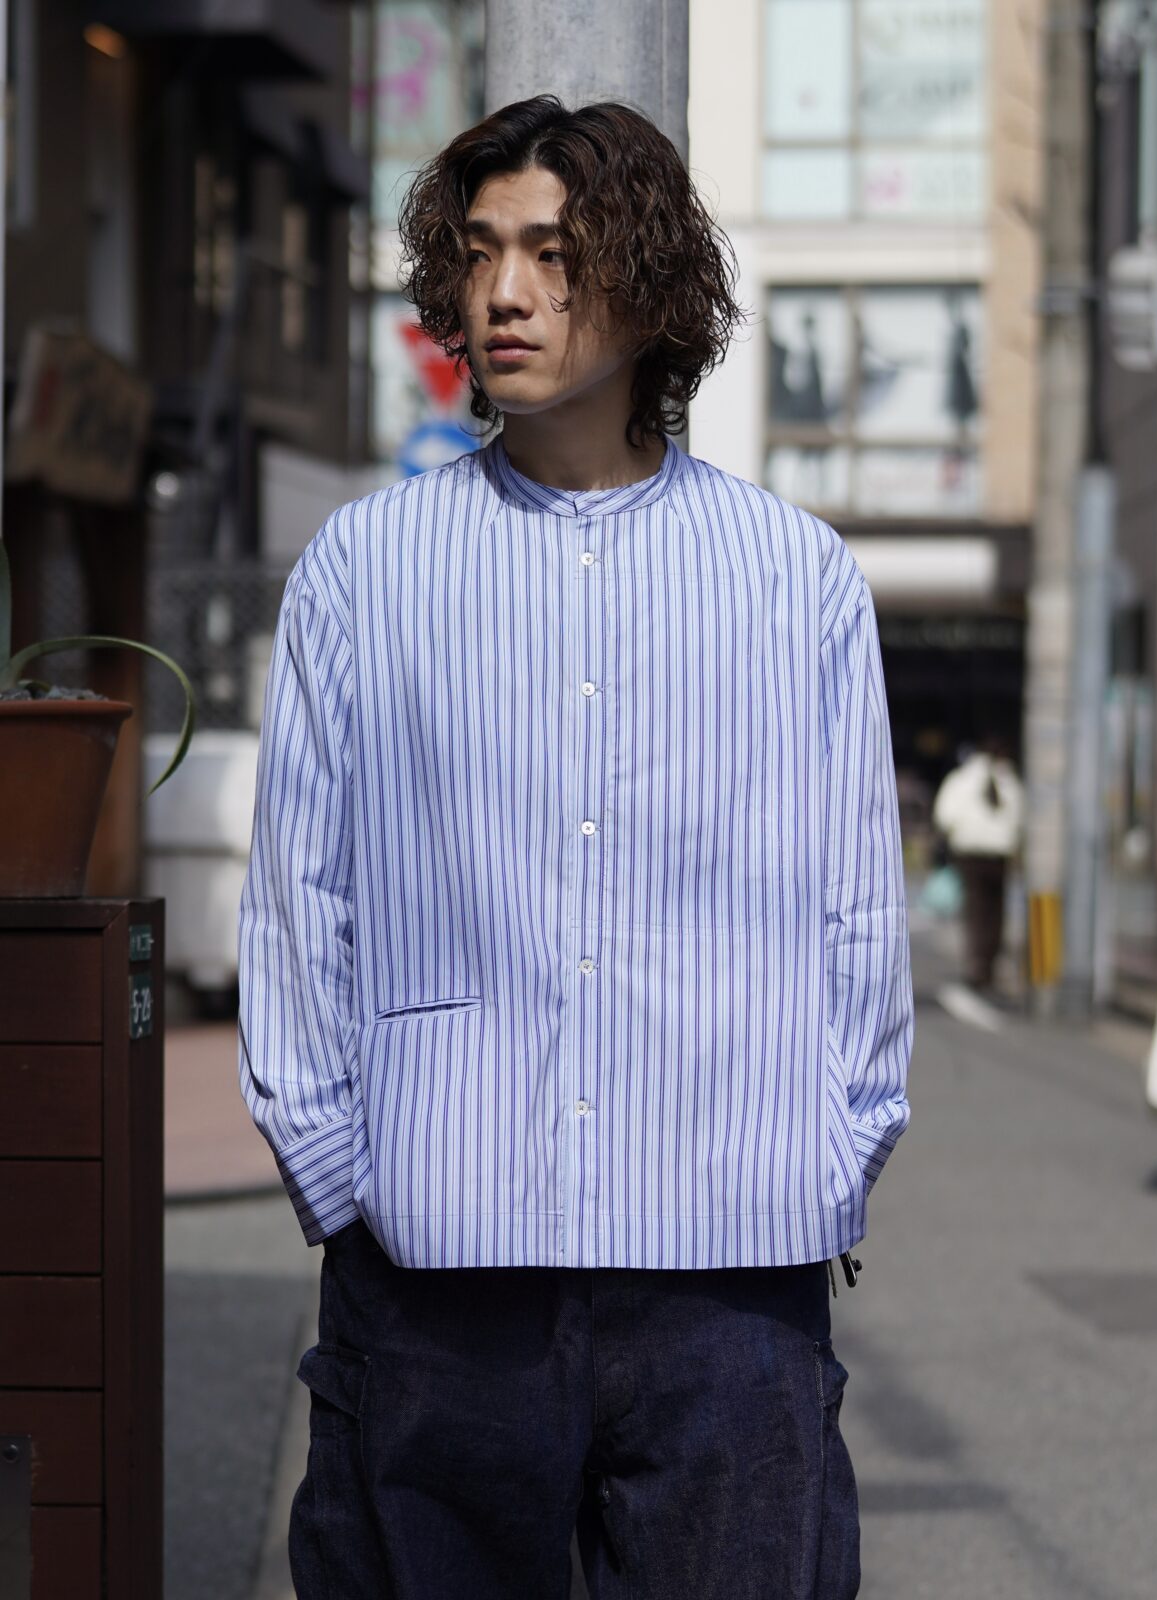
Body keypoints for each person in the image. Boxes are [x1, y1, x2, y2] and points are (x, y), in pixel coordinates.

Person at [237, 94, 913, 1600]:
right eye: (480, 254)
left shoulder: (794, 578)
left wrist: (830, 1153)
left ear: (650, 279)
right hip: (437, 1270)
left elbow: (860, 911)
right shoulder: (365, 570)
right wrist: (349, 1189)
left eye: (553, 252)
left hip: (728, 1277)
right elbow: (298, 905)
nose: (506, 292)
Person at [931, 735, 1024, 992]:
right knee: (996, 912)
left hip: (969, 853)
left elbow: (945, 815)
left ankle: (976, 963)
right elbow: (1019, 818)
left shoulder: (961, 779)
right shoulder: (1009, 780)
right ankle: (989, 963)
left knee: (975, 909)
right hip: (999, 855)